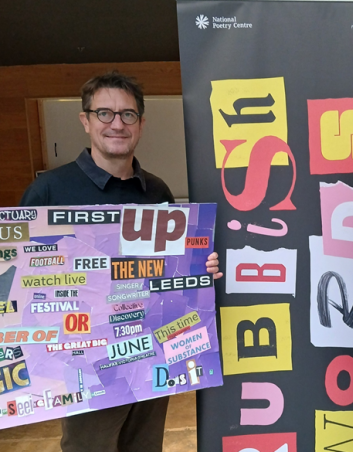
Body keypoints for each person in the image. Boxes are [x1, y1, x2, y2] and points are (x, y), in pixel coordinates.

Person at [20, 71, 222, 452]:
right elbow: (23, 277)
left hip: (151, 353)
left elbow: (174, 267)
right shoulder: (48, 191)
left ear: (141, 124)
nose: (117, 124)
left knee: (145, 446)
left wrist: (200, 268)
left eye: (127, 115)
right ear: (86, 120)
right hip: (88, 360)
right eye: (105, 113)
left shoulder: (157, 190)